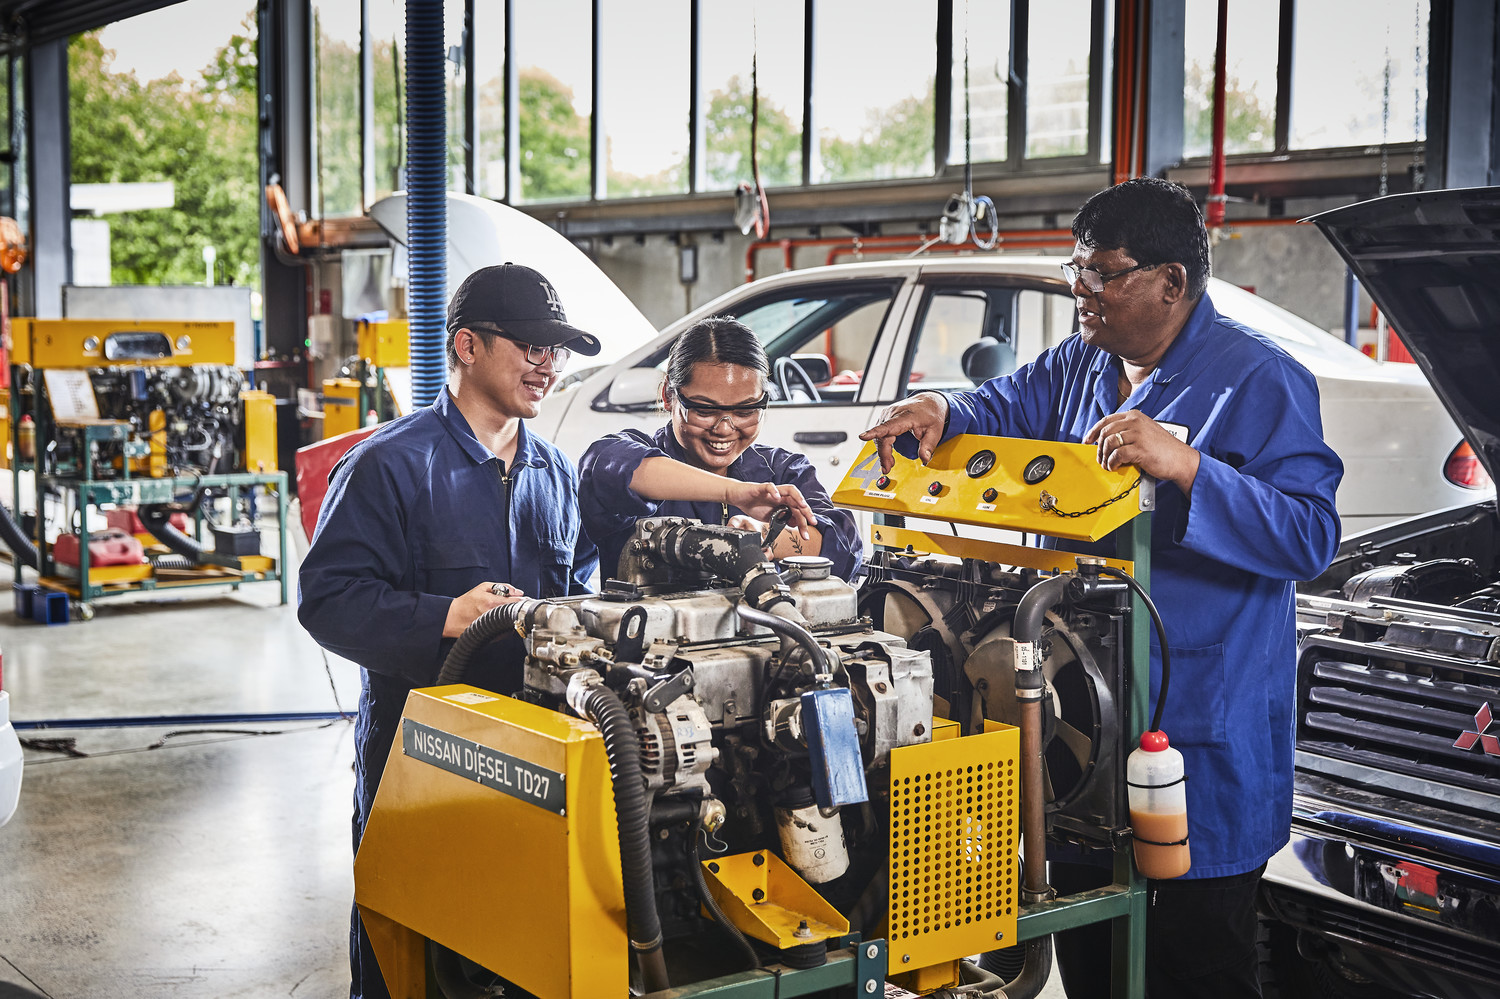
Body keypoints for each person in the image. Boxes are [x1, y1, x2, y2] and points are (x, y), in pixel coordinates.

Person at [859, 178, 1342, 997]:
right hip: (1075, 721)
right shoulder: (1084, 360)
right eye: (1075, 268)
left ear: (1172, 282)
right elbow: (1003, 401)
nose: (1078, 289)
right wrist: (943, 406)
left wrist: (1188, 466)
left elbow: (1309, 535)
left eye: (1102, 273)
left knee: (1198, 965)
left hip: (1196, 726)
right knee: (1088, 952)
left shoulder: (1260, 379)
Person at [298, 262, 601, 999]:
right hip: (417, 754)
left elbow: (579, 588)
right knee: (408, 940)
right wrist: (447, 615)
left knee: (517, 944)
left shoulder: (555, 472)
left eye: (556, 349)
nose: (548, 363)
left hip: (534, 756)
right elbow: (328, 598)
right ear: (466, 344)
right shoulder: (386, 466)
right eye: (530, 344)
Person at [579, 316, 863, 583]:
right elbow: (608, 466)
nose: (724, 428)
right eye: (705, 409)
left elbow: (842, 544)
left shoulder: (782, 470)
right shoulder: (633, 453)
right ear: (669, 395)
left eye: (745, 410)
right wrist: (736, 491)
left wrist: (765, 536)